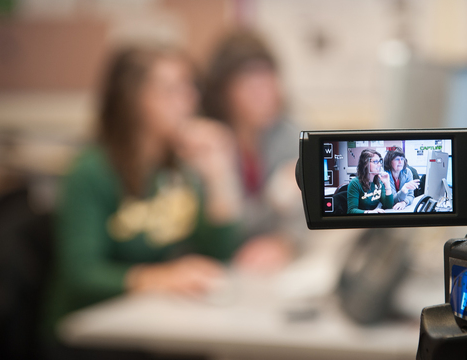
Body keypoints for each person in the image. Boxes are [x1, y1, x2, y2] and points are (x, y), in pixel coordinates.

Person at [43, 44, 245, 349]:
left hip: (150, 324)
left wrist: (220, 176)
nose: (190, 99)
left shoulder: (178, 166)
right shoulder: (91, 171)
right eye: (172, 89)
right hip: (92, 334)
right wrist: (161, 277)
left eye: (190, 87)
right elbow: (81, 274)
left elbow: (218, 254)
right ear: (134, 99)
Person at [200, 29, 299, 272]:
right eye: (250, 84)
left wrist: (286, 243)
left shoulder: (287, 133)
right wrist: (273, 201)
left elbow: (306, 214)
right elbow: (225, 229)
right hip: (215, 269)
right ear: (223, 91)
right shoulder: (207, 141)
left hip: (268, 273)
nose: (265, 94)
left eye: (269, 80)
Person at [347, 149, 394, 214]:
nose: (379, 165)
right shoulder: (355, 183)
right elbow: (351, 210)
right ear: (366, 164)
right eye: (375, 162)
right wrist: (370, 212)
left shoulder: (379, 182)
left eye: (379, 162)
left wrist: (387, 184)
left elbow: (388, 206)